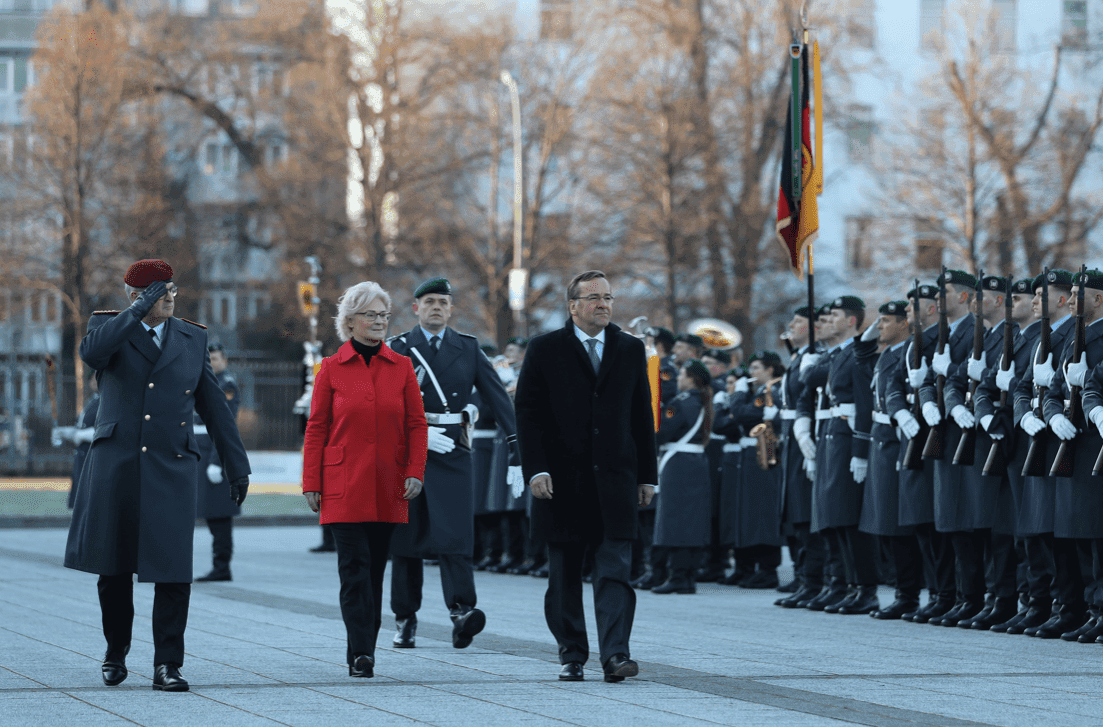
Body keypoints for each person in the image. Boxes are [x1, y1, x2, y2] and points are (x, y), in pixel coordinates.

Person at [65, 259, 250, 692]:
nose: (169, 298)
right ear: (136, 296)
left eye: (172, 291)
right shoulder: (109, 327)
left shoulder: (192, 337)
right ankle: (116, 652)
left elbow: (214, 408)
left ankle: (168, 664)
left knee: (173, 570)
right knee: (113, 570)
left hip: (172, 466)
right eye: (160, 292)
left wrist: (237, 466)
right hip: (118, 466)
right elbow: (92, 354)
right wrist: (134, 314)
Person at [514, 270, 658, 683]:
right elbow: (528, 413)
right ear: (572, 305)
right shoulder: (545, 349)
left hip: (615, 480)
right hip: (561, 482)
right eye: (594, 297)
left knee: (615, 570)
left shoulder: (630, 349)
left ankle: (616, 655)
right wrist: (536, 469)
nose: (604, 304)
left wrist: (647, 475)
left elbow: (640, 415)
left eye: (609, 297)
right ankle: (572, 652)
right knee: (564, 575)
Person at [302, 281, 427, 678]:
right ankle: (360, 653)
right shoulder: (331, 369)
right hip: (343, 484)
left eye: (383, 315)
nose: (379, 322)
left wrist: (414, 471)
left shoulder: (402, 366)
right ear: (350, 321)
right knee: (353, 567)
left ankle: (364, 646)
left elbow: (416, 425)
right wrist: (311, 482)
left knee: (374, 569)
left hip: (389, 482)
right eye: (370, 315)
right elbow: (317, 428)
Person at [387, 277, 521, 650]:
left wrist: (516, 446)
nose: (435, 308)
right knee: (407, 540)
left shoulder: (468, 347)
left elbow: (497, 395)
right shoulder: (398, 348)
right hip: (410, 450)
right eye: (428, 301)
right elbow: (381, 403)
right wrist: (412, 433)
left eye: (442, 302)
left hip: (454, 450)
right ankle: (404, 617)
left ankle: (462, 612)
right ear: (416, 308)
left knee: (456, 535)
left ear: (450, 309)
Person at [1002, 270, 1075, 634]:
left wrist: (1047, 407)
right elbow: (1021, 388)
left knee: (1056, 528)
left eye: (1039, 295)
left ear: (1060, 300)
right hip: (1033, 435)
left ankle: (1062, 604)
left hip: (1060, 436)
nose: (1032, 300)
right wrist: (1024, 415)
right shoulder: (1038, 338)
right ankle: (1040, 602)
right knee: (1033, 527)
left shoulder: (1070, 335)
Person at [972, 276, 1042, 630]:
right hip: (1003, 441)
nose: (1012, 302)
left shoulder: (1040, 340)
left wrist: (1010, 386)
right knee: (1003, 525)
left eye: (1019, 296)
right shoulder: (1013, 339)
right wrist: (984, 415)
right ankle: (1004, 598)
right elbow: (985, 387)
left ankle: (1034, 600)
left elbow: (1030, 386)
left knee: (1027, 526)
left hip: (1030, 438)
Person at [1040, 269, 1103, 640]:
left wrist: (1088, 379)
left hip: (1096, 441)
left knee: (1096, 531)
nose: (1072, 299)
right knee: (1077, 530)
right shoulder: (1071, 338)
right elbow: (1053, 390)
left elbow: (1092, 384)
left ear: (1099, 299)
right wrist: (1051, 418)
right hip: (1073, 440)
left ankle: (1097, 608)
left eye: (1081, 293)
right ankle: (1086, 609)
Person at [918, 269, 981, 626]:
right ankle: (956, 595)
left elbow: (972, 375)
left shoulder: (978, 331)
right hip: (942, 431)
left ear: (962, 297)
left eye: (944, 294)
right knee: (949, 520)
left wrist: (952, 368)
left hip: (967, 431)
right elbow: (930, 379)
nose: (937, 300)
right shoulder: (942, 333)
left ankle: (971, 596)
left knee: (968, 519)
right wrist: (928, 400)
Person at [856, 300, 921, 620]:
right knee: (883, 522)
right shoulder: (885, 353)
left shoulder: (905, 353)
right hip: (880, 441)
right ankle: (900, 591)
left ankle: (907, 594)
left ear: (904, 324)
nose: (879, 326)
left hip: (896, 440)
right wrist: (871, 330)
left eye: (885, 321)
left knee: (897, 524)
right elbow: (860, 354)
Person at [718, 352, 785, 588]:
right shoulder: (756, 393)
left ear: (770, 370)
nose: (752, 373)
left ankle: (768, 569)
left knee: (762, 513)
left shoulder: (769, 392)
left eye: (757, 368)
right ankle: (747, 566)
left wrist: (736, 395)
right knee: (747, 513)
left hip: (763, 454)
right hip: (751, 455)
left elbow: (743, 414)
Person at [651, 360, 713, 594]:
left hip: (678, 464)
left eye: (681, 376)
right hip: (696, 462)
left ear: (691, 380)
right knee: (692, 520)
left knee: (675, 520)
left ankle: (678, 575)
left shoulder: (681, 402)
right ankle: (687, 576)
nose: (678, 380)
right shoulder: (702, 400)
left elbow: (663, 430)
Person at [195, 342, 242, 582]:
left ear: (224, 360)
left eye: (215, 358)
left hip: (216, 458)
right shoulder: (207, 382)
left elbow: (224, 426)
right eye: (209, 359)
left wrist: (216, 461)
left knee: (220, 515)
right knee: (211, 514)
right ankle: (219, 565)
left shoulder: (227, 385)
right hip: (201, 456)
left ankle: (222, 566)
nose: (212, 363)